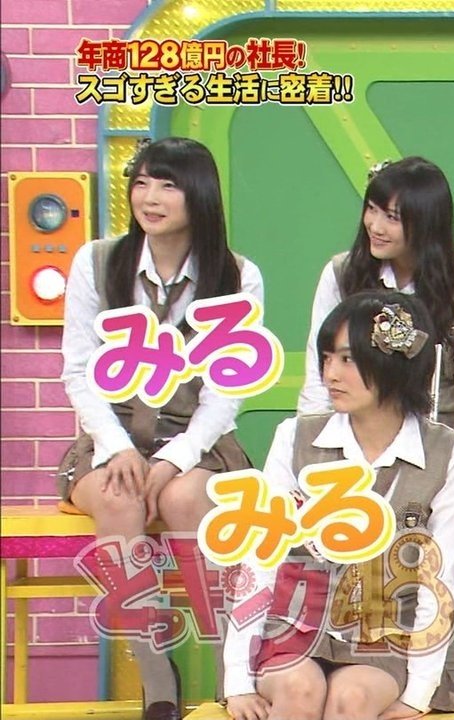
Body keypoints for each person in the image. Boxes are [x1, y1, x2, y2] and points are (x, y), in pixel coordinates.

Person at [58, 136, 263, 720]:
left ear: (199, 195)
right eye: (142, 182)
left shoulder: (237, 275)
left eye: (168, 184)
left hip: (196, 440)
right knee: (119, 500)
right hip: (111, 434)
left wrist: (177, 457)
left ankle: (233, 674)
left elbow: (227, 390)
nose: (149, 198)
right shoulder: (98, 262)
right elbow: (78, 371)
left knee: (186, 498)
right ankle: (158, 681)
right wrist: (117, 447)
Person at [223, 291, 454, 720]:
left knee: (351, 700)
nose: (331, 374)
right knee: (299, 691)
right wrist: (236, 679)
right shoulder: (296, 438)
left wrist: (418, 692)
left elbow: (438, 579)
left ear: (393, 364)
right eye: (327, 358)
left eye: (348, 359)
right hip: (295, 624)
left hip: (387, 634)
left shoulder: (450, 453)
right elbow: (260, 558)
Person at [297, 156, 454, 501]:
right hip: (354, 439)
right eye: (371, 210)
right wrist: (311, 452)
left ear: (427, 222)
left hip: (435, 438)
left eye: (392, 217)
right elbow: (318, 376)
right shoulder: (343, 273)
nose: (375, 226)